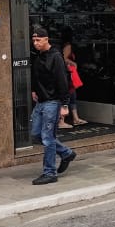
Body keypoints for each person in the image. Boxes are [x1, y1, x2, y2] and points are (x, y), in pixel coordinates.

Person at [29, 27, 77, 185]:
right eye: (34, 40)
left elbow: (62, 81)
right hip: (41, 101)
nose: (35, 43)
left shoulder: (56, 57)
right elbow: (37, 75)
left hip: (53, 101)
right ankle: (66, 153)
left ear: (46, 39)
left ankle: (50, 172)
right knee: (36, 134)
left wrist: (64, 104)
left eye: (38, 40)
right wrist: (34, 90)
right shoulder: (38, 56)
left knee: (47, 138)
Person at [60, 40, 87, 129]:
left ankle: (75, 118)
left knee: (72, 97)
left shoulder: (70, 47)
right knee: (67, 98)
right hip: (68, 75)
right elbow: (64, 58)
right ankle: (61, 121)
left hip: (69, 76)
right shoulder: (68, 46)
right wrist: (73, 63)